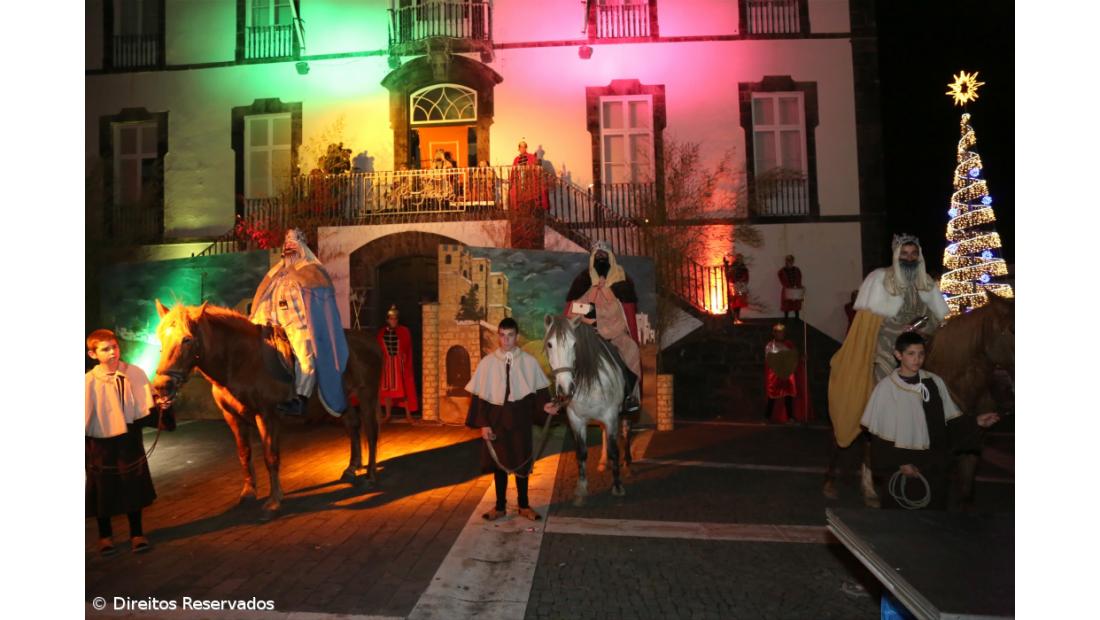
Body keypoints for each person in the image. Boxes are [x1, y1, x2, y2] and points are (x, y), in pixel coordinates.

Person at [828, 234, 950, 449]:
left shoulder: (926, 283)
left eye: (913, 254)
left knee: (940, 381)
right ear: (896, 255)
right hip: (888, 348)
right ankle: (880, 432)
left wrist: (920, 328)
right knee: (883, 385)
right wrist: (899, 332)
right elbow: (871, 323)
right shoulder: (881, 280)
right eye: (904, 253)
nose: (909, 258)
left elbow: (934, 318)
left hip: (920, 347)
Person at [861, 332, 1000, 510]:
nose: (917, 359)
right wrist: (901, 463)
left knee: (933, 521)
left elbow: (949, 423)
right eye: (911, 354)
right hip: (900, 467)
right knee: (900, 524)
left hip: (932, 467)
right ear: (898, 355)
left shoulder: (934, 382)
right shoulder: (886, 389)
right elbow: (880, 435)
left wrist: (976, 423)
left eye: (921, 354)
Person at [86, 329, 175, 556]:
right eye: (105, 349)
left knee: (132, 485)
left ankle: (137, 533)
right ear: (93, 353)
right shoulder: (87, 381)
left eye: (114, 347)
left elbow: (148, 406)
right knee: (103, 488)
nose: (112, 352)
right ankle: (105, 536)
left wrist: (163, 407)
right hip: (100, 442)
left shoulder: (134, 373)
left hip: (129, 439)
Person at [465, 318, 561, 521]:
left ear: (516, 337)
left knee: (521, 462)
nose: (506, 340)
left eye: (510, 335)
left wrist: (546, 407)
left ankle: (524, 506)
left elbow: (540, 394)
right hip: (496, 419)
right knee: (499, 463)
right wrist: (484, 424)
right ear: (498, 336)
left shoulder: (529, 362)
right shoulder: (488, 363)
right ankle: (499, 507)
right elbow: (480, 398)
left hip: (520, 419)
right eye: (502, 335)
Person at [250, 228, 349, 417]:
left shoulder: (311, 270)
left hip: (298, 323)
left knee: (306, 357)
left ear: (301, 247)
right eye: (286, 242)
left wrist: (293, 273)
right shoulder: (276, 272)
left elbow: (319, 295)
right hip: (272, 323)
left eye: (293, 242)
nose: (288, 245)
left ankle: (301, 399)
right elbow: (263, 297)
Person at [565, 241, 642, 414]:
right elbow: (573, 309)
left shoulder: (621, 281)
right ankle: (563, 395)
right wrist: (588, 315)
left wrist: (606, 297)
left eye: (604, 257)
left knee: (631, 350)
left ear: (611, 259)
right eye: (597, 257)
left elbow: (620, 313)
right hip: (588, 334)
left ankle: (630, 395)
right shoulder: (584, 281)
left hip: (614, 334)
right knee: (565, 357)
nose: (600, 260)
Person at [377, 305, 419, 423]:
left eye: (395, 319)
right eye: (391, 319)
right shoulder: (381, 332)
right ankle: (388, 415)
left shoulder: (404, 331)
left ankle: (408, 415)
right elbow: (379, 348)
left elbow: (407, 348)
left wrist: (404, 361)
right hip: (387, 365)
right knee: (387, 392)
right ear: (387, 320)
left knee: (404, 390)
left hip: (399, 364)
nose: (393, 321)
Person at [508, 140, 548, 249]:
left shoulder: (531, 157)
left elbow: (535, 169)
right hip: (519, 184)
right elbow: (513, 172)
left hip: (529, 185)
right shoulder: (516, 159)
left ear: (526, 147)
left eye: (524, 147)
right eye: (520, 147)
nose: (522, 149)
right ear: (518, 148)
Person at [763, 324, 797, 423]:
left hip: (787, 373)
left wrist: (801, 358)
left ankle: (790, 417)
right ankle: (767, 417)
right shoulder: (770, 345)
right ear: (774, 333)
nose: (780, 334)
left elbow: (794, 358)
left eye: (782, 332)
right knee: (772, 396)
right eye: (778, 332)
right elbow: (769, 359)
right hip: (775, 374)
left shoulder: (789, 344)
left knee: (788, 396)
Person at [724, 253, 750, 325]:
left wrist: (743, 281)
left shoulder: (743, 267)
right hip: (735, 286)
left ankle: (737, 318)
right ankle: (735, 318)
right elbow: (730, 276)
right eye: (739, 258)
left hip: (741, 286)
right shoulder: (734, 267)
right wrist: (736, 281)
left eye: (741, 258)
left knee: (739, 303)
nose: (740, 259)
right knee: (736, 302)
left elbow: (746, 276)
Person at [778, 254, 804, 320]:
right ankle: (786, 318)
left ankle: (797, 318)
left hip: (796, 289)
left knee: (796, 304)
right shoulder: (782, 271)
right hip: (787, 289)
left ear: (793, 261)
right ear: (786, 261)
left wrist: (798, 287)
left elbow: (799, 278)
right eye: (788, 260)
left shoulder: (797, 270)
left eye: (791, 260)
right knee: (787, 304)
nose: (790, 261)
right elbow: (782, 280)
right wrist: (788, 287)